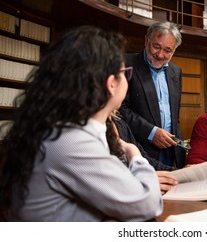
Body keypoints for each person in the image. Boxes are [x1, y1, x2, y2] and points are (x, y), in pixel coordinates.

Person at [0, 26, 162, 221]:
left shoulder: (71, 129)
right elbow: (147, 204)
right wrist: (133, 152)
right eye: (124, 73)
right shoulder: (70, 140)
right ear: (111, 83)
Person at [119, 21, 186, 168]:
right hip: (138, 149)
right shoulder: (125, 63)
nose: (160, 55)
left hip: (170, 152)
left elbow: (174, 118)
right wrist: (151, 132)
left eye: (168, 50)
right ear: (146, 40)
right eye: (156, 46)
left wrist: (181, 152)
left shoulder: (176, 72)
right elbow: (119, 109)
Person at [109, 112, 178, 194]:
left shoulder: (120, 124)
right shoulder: (93, 132)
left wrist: (179, 173)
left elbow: (147, 160)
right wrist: (144, 181)